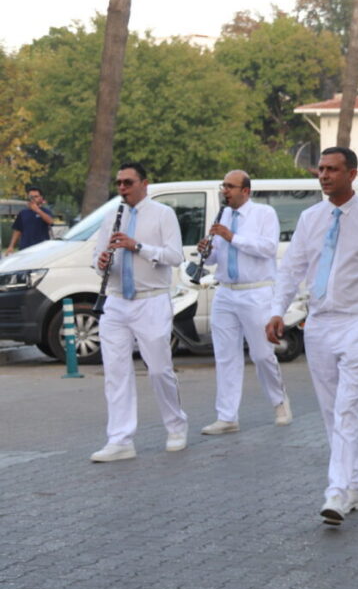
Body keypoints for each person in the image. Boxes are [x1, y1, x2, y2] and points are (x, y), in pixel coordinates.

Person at [266, 147, 358, 525]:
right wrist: (277, 309)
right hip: (320, 324)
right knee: (331, 412)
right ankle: (353, 485)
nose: (324, 176)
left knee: (346, 409)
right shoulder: (311, 218)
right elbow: (292, 268)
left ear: (352, 174)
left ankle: (336, 492)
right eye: (321, 169)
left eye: (332, 170)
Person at [90, 162, 188, 462]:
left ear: (144, 184)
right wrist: (103, 262)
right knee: (116, 371)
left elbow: (175, 256)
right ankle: (120, 439)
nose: (122, 188)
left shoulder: (163, 214)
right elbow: (95, 258)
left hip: (152, 299)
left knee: (159, 369)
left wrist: (138, 246)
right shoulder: (111, 217)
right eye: (119, 183)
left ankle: (176, 426)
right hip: (117, 299)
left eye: (128, 183)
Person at [196, 170, 291, 436]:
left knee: (261, 354)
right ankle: (227, 416)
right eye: (223, 185)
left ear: (245, 191)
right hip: (226, 291)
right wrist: (208, 250)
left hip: (256, 292)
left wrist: (231, 237)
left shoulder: (264, 214)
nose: (224, 190)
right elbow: (216, 258)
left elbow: (267, 248)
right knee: (225, 356)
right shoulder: (223, 215)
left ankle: (280, 401)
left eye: (230, 186)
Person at [5, 186, 55, 255]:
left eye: (36, 196)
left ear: (41, 197)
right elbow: (17, 230)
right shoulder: (23, 213)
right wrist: (11, 246)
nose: (33, 199)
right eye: (31, 197)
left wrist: (37, 210)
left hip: (42, 249)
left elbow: (51, 222)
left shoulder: (45, 211)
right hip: (25, 248)